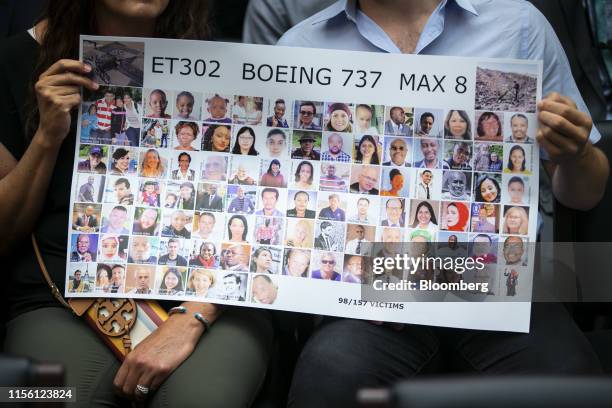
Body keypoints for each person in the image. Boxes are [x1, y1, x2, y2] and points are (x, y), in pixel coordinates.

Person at [278, 2, 607, 402]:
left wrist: (576, 154)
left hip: (500, 292)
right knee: (324, 383)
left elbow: (586, 196)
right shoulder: (301, 48)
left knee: (570, 383)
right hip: (370, 304)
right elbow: (290, 218)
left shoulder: (517, 25)